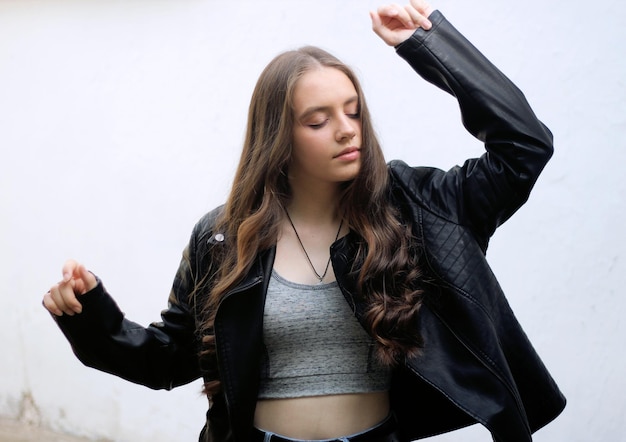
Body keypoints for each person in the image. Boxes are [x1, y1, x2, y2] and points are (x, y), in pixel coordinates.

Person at [42, 1, 566, 441]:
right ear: (279, 137)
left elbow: (524, 146)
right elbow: (167, 361)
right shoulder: (223, 237)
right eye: (318, 120)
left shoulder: (416, 209)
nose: (346, 130)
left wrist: (428, 45)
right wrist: (90, 317)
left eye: (353, 110)